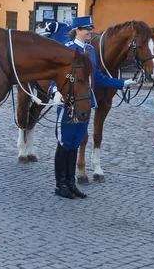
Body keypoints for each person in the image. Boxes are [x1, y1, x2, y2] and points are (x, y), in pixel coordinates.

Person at [51, 15, 138, 199]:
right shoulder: (67, 49)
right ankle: (60, 185)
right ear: (78, 30)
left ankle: (71, 183)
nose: (91, 31)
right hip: (70, 104)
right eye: (87, 28)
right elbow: (55, 73)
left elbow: (99, 77)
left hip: (85, 104)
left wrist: (123, 83)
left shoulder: (90, 51)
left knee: (75, 143)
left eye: (91, 28)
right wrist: (55, 90)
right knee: (64, 143)